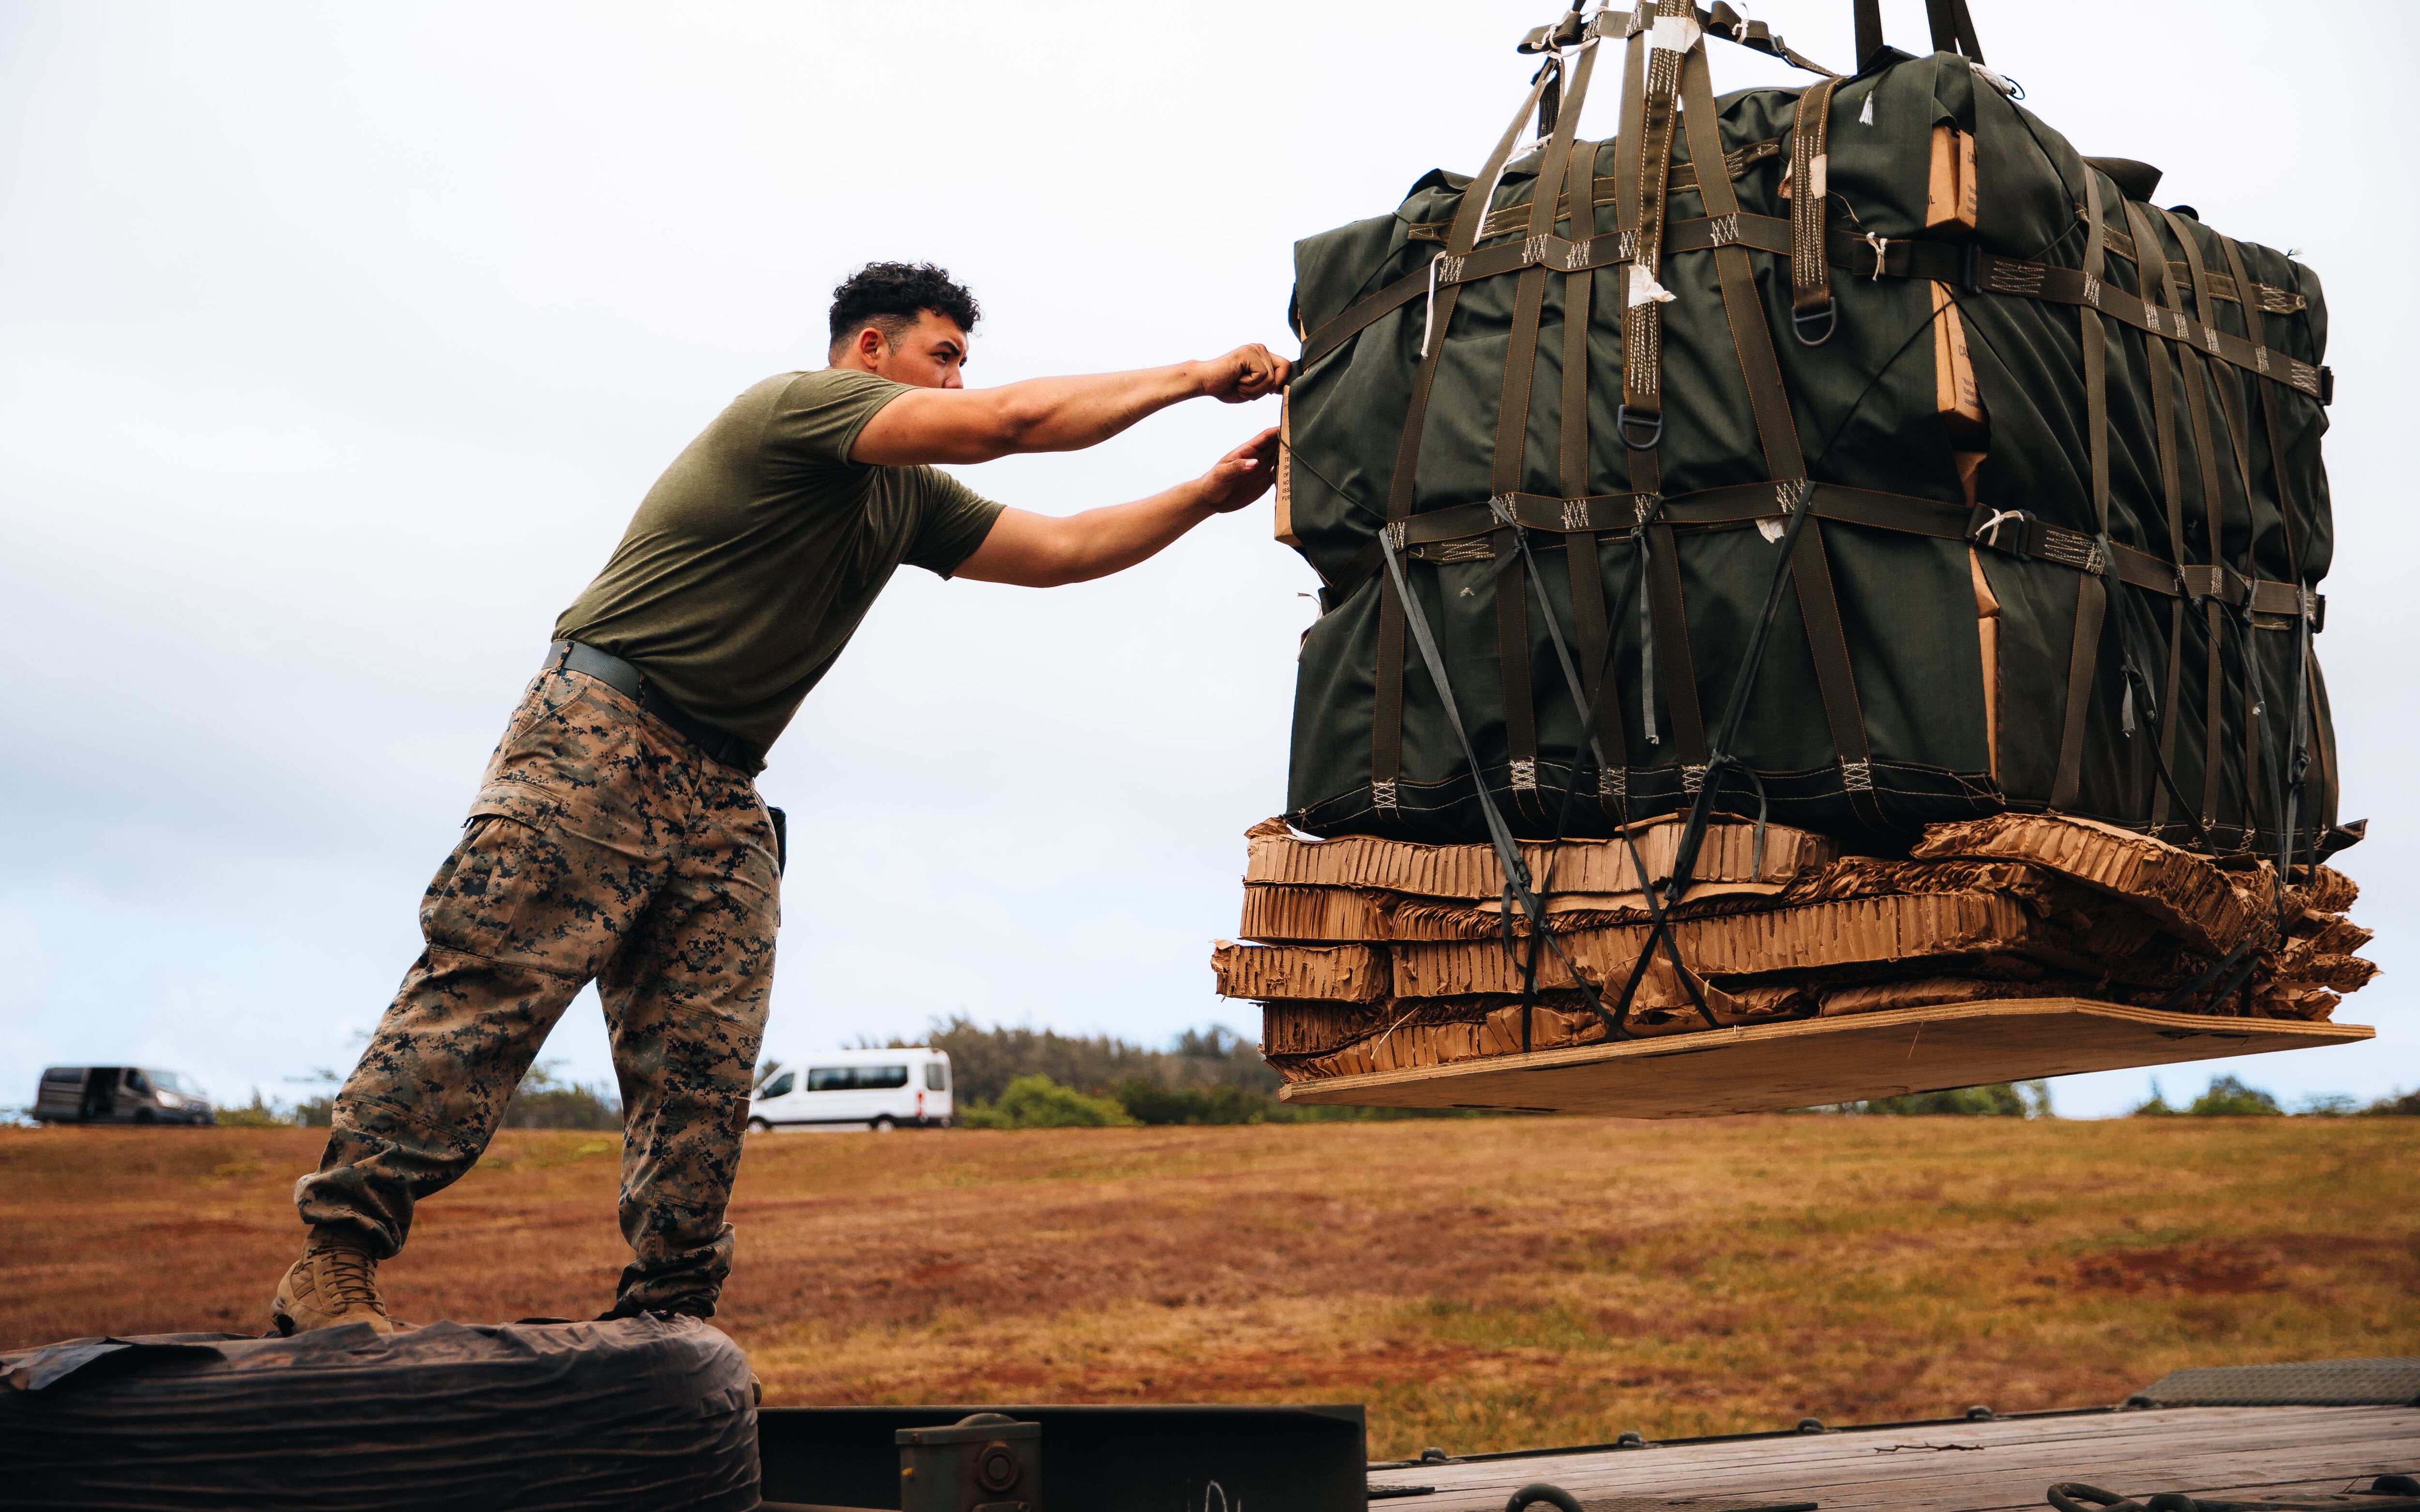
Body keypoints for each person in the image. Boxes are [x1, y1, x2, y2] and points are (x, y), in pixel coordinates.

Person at [272, 261, 1287, 1334]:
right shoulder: (794, 411)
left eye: (960, 367)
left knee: (704, 1072)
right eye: (940, 358)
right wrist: (1191, 377)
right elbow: (1013, 422)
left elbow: (1062, 549)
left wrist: (1203, 497)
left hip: (722, 792)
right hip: (599, 739)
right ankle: (334, 1262)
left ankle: (667, 1318)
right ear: (869, 353)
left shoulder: (906, 498)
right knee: (486, 1000)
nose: (953, 385)